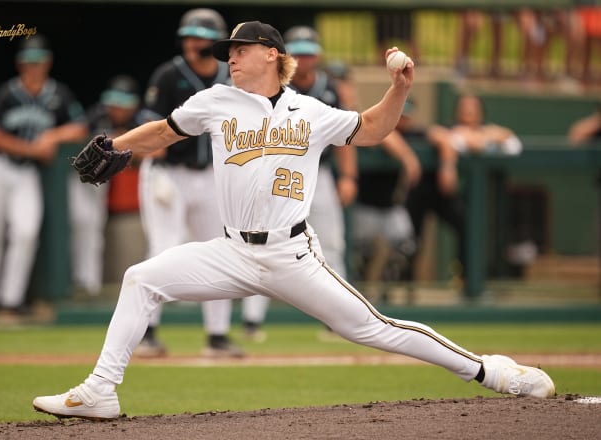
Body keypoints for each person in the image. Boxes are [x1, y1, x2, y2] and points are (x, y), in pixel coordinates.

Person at [32, 21, 555, 420]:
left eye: (238, 50)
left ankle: (492, 371)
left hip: (292, 255)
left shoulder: (309, 111)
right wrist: (116, 146)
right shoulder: (215, 100)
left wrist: (398, 89)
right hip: (232, 251)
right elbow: (166, 131)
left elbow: (371, 130)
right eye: (227, 52)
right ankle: (101, 390)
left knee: (375, 329)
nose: (230, 58)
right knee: (141, 278)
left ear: (270, 54)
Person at [239, 25, 360, 341]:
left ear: (317, 56)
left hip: (319, 174)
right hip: (277, 173)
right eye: (299, 53)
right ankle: (252, 320)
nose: (304, 59)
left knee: (331, 244)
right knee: (261, 242)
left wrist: (348, 176)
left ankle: (338, 318)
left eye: (309, 53)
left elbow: (347, 135)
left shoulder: (329, 88)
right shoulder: (270, 86)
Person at [135, 8, 244, 357]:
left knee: (223, 250)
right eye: (188, 36)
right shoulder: (169, 75)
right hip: (170, 173)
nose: (191, 43)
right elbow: (152, 126)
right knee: (163, 247)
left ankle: (217, 336)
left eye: (199, 37)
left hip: (213, 176)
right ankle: (147, 333)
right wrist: (156, 168)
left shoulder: (233, 76)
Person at [0, 34, 88, 315]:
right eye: (28, 62)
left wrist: (52, 135)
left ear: (47, 63)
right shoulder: (7, 93)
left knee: (25, 231)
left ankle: (11, 299)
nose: (33, 67)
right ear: (20, 64)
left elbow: (80, 127)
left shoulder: (57, 94)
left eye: (38, 62)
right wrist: (32, 149)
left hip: (26, 173)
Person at [406, 93, 522, 289]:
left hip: (448, 195)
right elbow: (445, 137)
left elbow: (513, 144)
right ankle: (406, 284)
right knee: (411, 239)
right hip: (425, 189)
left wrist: (483, 137)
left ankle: (465, 278)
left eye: (473, 108)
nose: (468, 112)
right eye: (464, 107)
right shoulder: (448, 128)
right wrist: (449, 163)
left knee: (468, 226)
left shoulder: (488, 130)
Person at [68, 75, 142, 296]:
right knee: (83, 226)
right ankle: (83, 284)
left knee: (93, 231)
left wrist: (123, 142)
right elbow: (74, 133)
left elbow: (153, 147)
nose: (116, 109)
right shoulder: (97, 116)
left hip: (114, 185)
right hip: (88, 182)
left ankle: (89, 284)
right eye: (114, 103)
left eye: (122, 104)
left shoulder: (139, 121)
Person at [350, 98, 422, 296]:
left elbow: (440, 135)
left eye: (406, 116)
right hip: (366, 206)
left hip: (392, 207)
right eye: (399, 115)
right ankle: (359, 292)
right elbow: (384, 135)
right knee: (360, 253)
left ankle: (388, 287)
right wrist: (408, 157)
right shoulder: (376, 127)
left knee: (406, 246)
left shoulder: (414, 134)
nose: (402, 120)